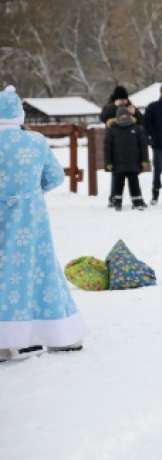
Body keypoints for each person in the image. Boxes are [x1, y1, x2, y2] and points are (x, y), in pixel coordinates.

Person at [0, 86, 85, 362]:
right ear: (19, 114)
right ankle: (57, 334)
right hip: (30, 221)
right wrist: (30, 193)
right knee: (39, 269)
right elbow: (55, 178)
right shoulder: (35, 142)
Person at [104, 106, 150, 211]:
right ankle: (117, 201)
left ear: (129, 116)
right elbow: (107, 148)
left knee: (134, 183)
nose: (124, 117)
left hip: (133, 163)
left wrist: (144, 160)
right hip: (118, 163)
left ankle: (137, 201)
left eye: (126, 115)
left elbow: (143, 145)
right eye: (121, 115)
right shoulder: (112, 129)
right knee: (118, 184)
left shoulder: (136, 128)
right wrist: (108, 162)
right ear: (117, 117)